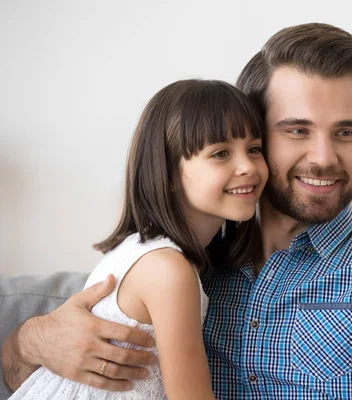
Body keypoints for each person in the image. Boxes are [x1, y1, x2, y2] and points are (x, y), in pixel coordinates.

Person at [2, 23, 352, 399]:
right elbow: (25, 375)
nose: (325, 157)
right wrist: (31, 340)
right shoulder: (180, 267)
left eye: (346, 132)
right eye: (297, 130)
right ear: (251, 136)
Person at [6, 79, 268, 399]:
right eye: (221, 153)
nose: (247, 166)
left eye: (254, 149)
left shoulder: (144, 250)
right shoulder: (168, 271)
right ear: (168, 173)